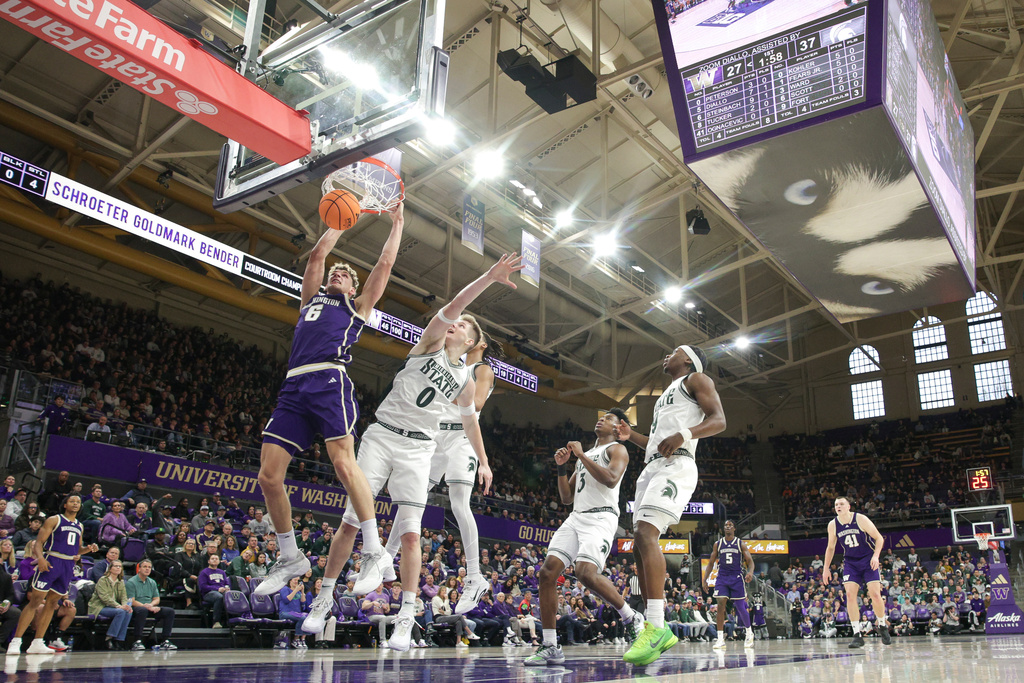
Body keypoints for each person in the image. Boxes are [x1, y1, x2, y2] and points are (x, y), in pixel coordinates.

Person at [311, 252, 524, 651]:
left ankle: (406, 618)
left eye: (462, 326)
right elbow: (454, 304)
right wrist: (490, 278)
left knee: (411, 536)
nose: (454, 324)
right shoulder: (428, 344)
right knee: (350, 521)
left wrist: (486, 460)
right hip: (381, 435)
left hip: (418, 449)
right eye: (454, 322)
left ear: (472, 342)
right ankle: (324, 596)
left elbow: (471, 422)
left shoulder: (465, 380)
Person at [254, 203, 407, 601]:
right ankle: (290, 556)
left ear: (354, 289)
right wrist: (340, 222)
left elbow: (385, 265)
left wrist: (398, 224)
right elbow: (319, 255)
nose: (339, 274)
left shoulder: (357, 308)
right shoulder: (309, 302)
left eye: (347, 275)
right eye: (336, 273)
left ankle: (373, 549)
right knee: (268, 477)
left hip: (328, 380)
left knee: (342, 462)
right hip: (293, 388)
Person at [617, 344, 726, 665]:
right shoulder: (669, 392)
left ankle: (656, 625)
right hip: (653, 466)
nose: (667, 354)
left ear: (689, 360)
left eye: (674, 351)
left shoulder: (698, 379)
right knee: (638, 542)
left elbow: (719, 420)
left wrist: (683, 434)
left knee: (647, 535)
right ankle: (655, 625)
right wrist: (631, 435)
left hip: (676, 465)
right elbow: (656, 444)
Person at [382, 332, 503, 615]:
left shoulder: (481, 368)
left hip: (462, 437)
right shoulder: (452, 365)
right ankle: (385, 557)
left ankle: (475, 577)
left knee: (460, 504)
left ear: (480, 344)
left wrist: (439, 396)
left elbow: (478, 404)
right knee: (414, 496)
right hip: (436, 436)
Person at [526, 409, 642, 666]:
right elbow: (567, 498)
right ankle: (550, 646)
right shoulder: (584, 457)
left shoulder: (617, 450)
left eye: (609, 419)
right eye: (601, 417)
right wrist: (561, 467)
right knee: (547, 573)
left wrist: (579, 455)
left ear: (617, 428)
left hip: (601, 517)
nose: (602, 419)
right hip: (576, 517)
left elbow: (611, 479)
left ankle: (629, 616)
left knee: (585, 573)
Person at [6, 494, 98, 655]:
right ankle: (16, 641)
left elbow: (77, 550)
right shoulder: (54, 520)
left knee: (52, 604)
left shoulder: (79, 525)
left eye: (78, 502)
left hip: (68, 564)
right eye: (72, 501)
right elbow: (39, 542)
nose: (76, 504)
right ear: (65, 504)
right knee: (35, 601)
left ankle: (38, 641)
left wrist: (88, 549)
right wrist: (41, 558)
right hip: (52, 560)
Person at [822, 496, 891, 648]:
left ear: (848, 507)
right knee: (850, 595)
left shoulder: (860, 519)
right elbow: (831, 547)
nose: (838, 506)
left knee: (874, 594)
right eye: (836, 504)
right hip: (851, 562)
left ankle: (882, 625)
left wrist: (875, 556)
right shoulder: (833, 525)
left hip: (867, 559)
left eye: (841, 504)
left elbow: (879, 538)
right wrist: (826, 568)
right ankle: (857, 634)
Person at [702, 519, 755, 649]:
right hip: (722, 577)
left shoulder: (740, 543)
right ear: (723, 529)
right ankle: (720, 639)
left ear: (734, 529)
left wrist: (750, 572)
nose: (728, 526)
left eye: (730, 525)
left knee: (740, 606)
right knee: (720, 604)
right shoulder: (718, 544)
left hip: (736, 577)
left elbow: (750, 561)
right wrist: (705, 579)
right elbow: (710, 563)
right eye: (726, 525)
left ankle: (749, 633)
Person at [126, 559, 177, 651]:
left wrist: (151, 605)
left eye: (149, 567)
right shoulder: (131, 582)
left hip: (149, 607)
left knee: (169, 611)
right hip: (136, 608)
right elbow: (131, 601)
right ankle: (137, 640)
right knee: (142, 610)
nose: (147, 569)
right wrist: (145, 606)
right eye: (145, 567)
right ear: (139, 569)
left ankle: (165, 640)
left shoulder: (152, 582)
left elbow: (157, 599)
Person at [87, 560, 133, 650]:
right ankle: (109, 638)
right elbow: (104, 598)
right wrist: (119, 606)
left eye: (120, 566)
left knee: (128, 612)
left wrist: (125, 605)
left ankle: (119, 640)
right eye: (116, 566)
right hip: (99, 606)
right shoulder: (103, 580)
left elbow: (124, 597)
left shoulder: (120, 582)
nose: (118, 568)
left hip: (114, 607)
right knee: (121, 612)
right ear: (110, 569)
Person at [277, 577, 314, 649]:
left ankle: (303, 638)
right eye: (295, 580)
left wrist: (302, 591)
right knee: (303, 617)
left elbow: (303, 603)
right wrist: (295, 590)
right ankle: (296, 638)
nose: (296, 582)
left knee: (309, 617)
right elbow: (286, 600)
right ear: (290, 581)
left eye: (297, 580)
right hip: (285, 612)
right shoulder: (285, 589)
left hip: (296, 613)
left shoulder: (298, 592)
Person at [198, 554, 229, 628]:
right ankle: (216, 622)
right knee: (219, 597)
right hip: (208, 593)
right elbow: (203, 586)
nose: (214, 560)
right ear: (208, 561)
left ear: (219, 561)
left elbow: (226, 583)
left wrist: (227, 588)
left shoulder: (222, 572)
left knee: (233, 596)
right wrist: (217, 589)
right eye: (212, 558)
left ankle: (235, 621)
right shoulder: (204, 572)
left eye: (216, 558)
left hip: (222, 591)